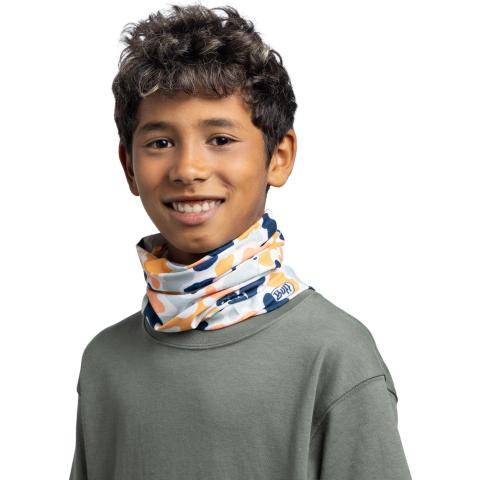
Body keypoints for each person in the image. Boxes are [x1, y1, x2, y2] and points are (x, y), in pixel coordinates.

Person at [69, 4, 412, 479]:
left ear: (279, 157)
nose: (188, 169)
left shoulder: (334, 355)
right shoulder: (105, 361)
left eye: (221, 139)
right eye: (161, 143)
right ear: (129, 166)